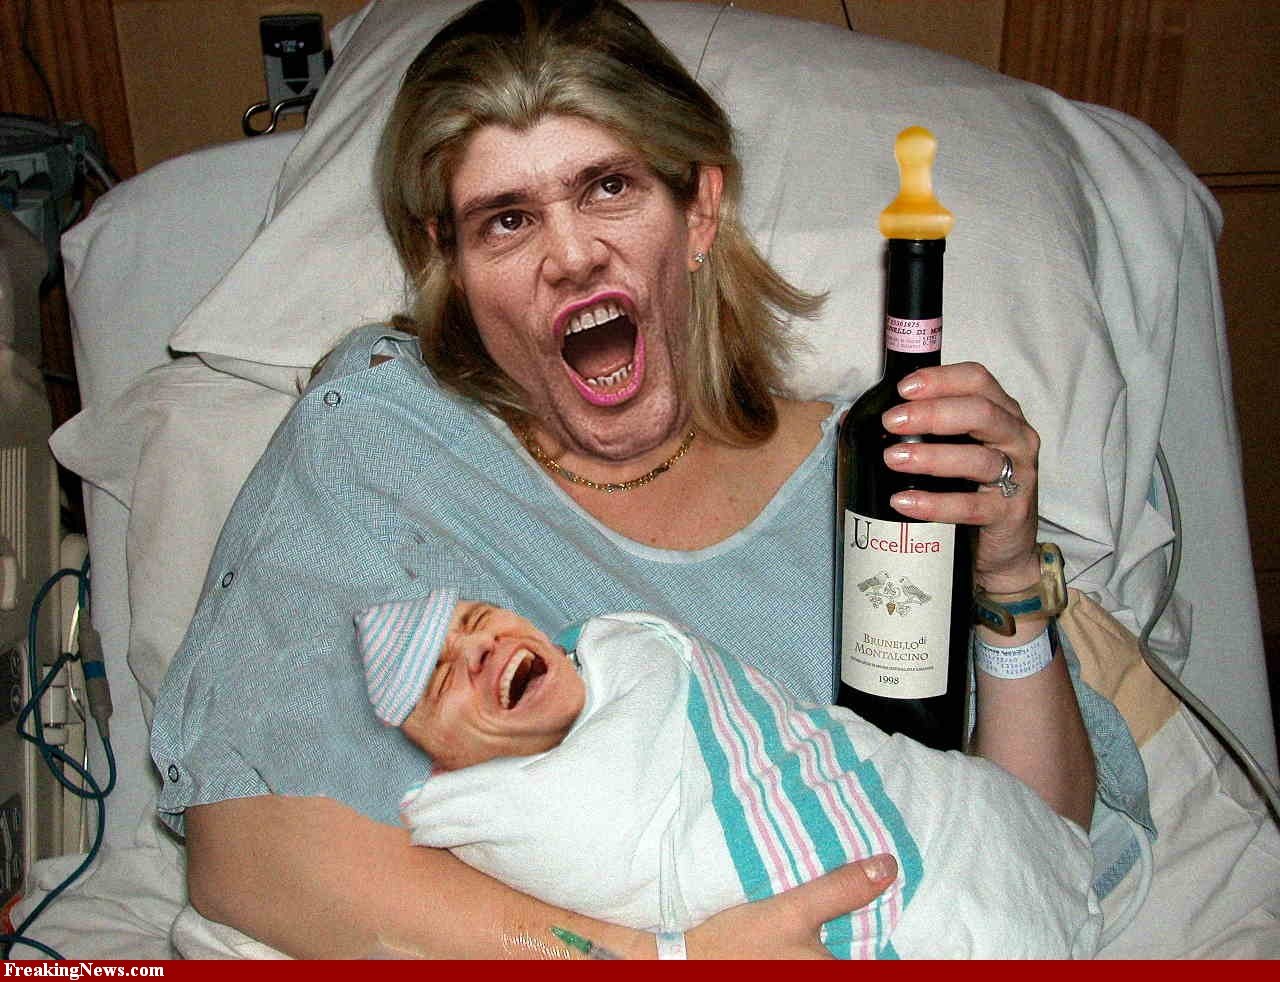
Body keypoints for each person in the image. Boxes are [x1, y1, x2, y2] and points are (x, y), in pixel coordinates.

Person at [150, 0, 1105, 959]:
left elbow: (1031, 853)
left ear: (700, 210)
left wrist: (1008, 577)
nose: (571, 257)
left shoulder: (874, 479)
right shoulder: (391, 442)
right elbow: (253, 850)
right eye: (507, 220)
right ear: (451, 265)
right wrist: (655, 962)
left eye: (608, 187)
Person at [356, 591, 1102, 958]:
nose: (479, 648)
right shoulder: (508, 817)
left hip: (1003, 826)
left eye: (478, 620)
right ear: (443, 760)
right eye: (440, 678)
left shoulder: (623, 654)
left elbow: (752, 726)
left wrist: (1013, 585)